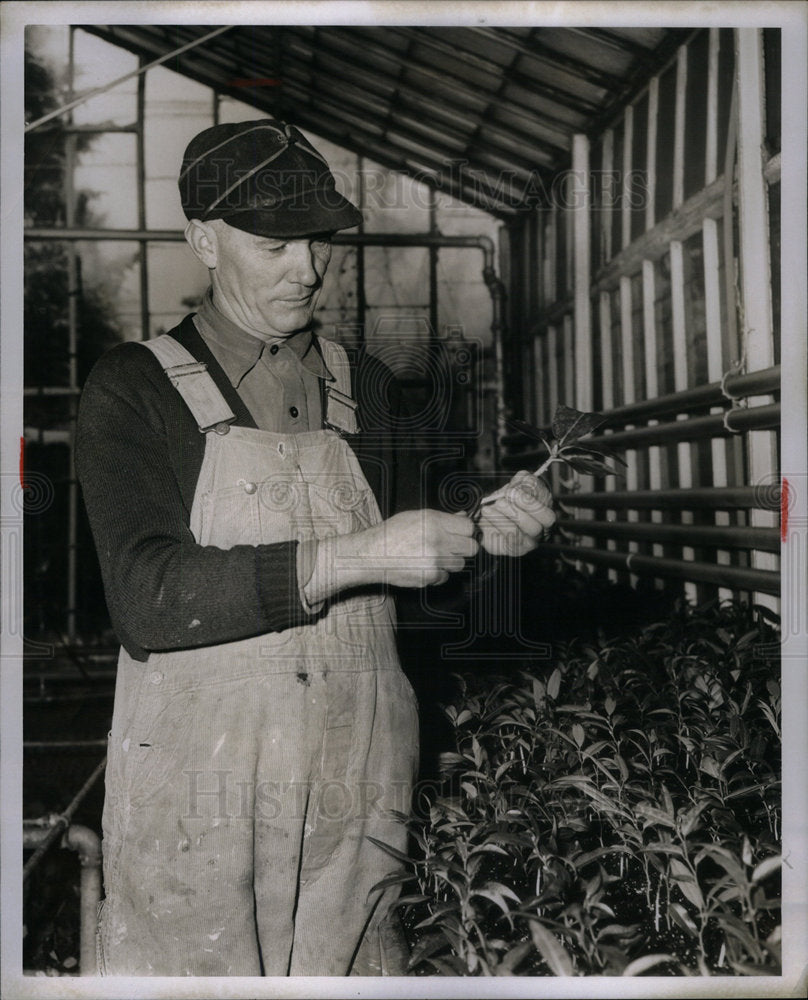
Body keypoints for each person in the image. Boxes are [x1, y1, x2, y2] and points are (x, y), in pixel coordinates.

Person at [76, 118, 556, 977]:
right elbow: (147, 596)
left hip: (358, 788)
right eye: (274, 245)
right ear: (204, 241)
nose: (309, 269)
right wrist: (357, 555)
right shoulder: (134, 387)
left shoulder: (364, 385)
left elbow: (421, 599)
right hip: (201, 794)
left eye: (318, 241)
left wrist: (487, 538)